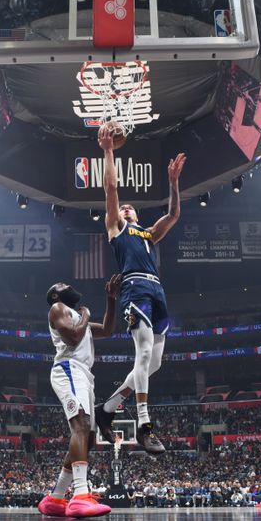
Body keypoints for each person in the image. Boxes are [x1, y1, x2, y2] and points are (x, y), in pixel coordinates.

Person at [94, 123, 187, 454]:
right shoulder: (117, 230)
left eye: (129, 207)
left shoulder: (148, 233)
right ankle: (146, 426)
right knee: (144, 353)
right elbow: (110, 190)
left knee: (154, 364)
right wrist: (108, 151)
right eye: (123, 208)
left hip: (158, 292)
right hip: (134, 289)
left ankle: (106, 409)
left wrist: (174, 183)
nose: (125, 208)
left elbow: (174, 214)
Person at [37, 276, 119, 518]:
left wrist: (110, 300)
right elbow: (72, 337)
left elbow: (107, 329)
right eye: (62, 284)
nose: (68, 286)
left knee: (88, 437)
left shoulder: (75, 315)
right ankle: (80, 495)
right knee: (80, 427)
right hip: (68, 368)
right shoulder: (58, 308)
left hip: (84, 374)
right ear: (55, 295)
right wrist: (85, 314)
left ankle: (56, 498)